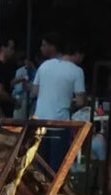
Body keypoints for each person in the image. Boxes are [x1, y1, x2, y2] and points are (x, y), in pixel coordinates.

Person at [32, 40, 86, 170]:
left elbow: (34, 92)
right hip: (60, 123)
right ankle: (53, 190)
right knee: (56, 167)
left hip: (39, 121)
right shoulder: (77, 71)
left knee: (39, 165)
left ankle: (36, 189)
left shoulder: (45, 65)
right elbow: (81, 101)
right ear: (77, 54)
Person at [12, 53, 36, 119]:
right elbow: (16, 88)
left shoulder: (37, 71)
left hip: (33, 102)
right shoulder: (20, 71)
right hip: (21, 100)